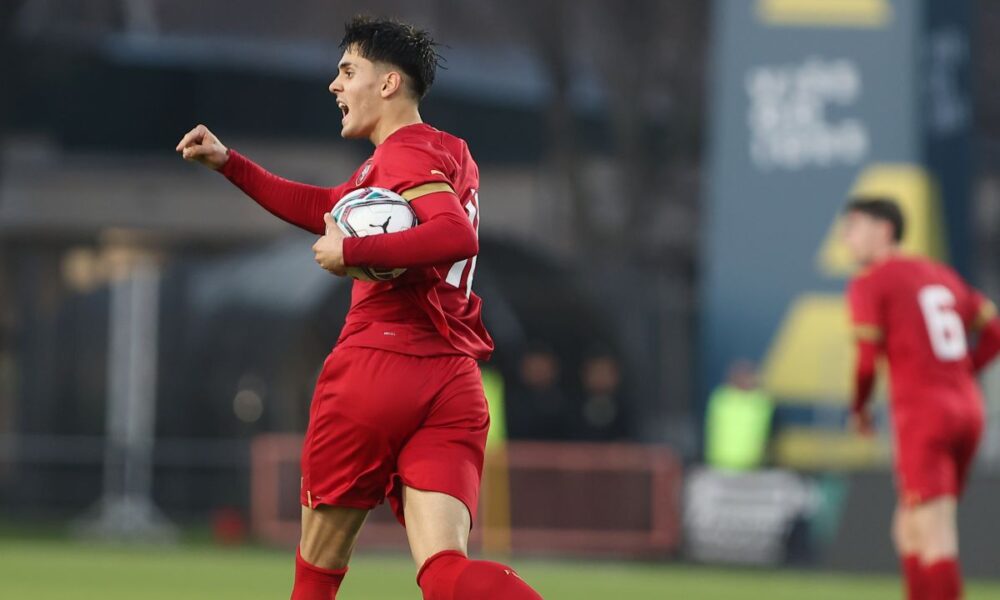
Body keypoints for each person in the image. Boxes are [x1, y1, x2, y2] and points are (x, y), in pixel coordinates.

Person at [176, 16, 542, 600]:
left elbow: (453, 236)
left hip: (377, 368)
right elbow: (325, 204)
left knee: (315, 576)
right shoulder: (442, 153)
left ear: (390, 83)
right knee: (445, 570)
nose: (335, 85)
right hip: (452, 381)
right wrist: (231, 163)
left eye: (348, 71)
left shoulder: (403, 155)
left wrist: (352, 251)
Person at [842, 197, 1000, 600]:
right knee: (907, 528)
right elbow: (994, 327)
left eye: (854, 226)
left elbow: (865, 364)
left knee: (934, 532)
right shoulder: (939, 274)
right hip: (968, 409)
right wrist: (965, 371)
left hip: (924, 415)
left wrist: (859, 411)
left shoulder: (871, 281)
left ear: (884, 230)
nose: (846, 238)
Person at [704, 359, 773, 471]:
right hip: (720, 465)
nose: (745, 380)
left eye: (747, 376)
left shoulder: (760, 402)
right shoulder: (721, 399)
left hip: (751, 466)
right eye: (741, 377)